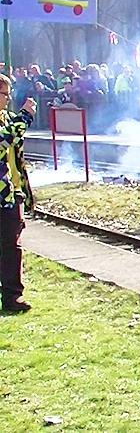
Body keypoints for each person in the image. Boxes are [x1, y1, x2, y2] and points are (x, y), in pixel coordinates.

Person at [0, 76, 35, 313]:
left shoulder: (6, 117)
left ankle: (13, 296)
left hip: (12, 192)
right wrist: (25, 116)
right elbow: (4, 140)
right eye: (5, 94)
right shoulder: (12, 120)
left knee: (12, 246)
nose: (8, 98)